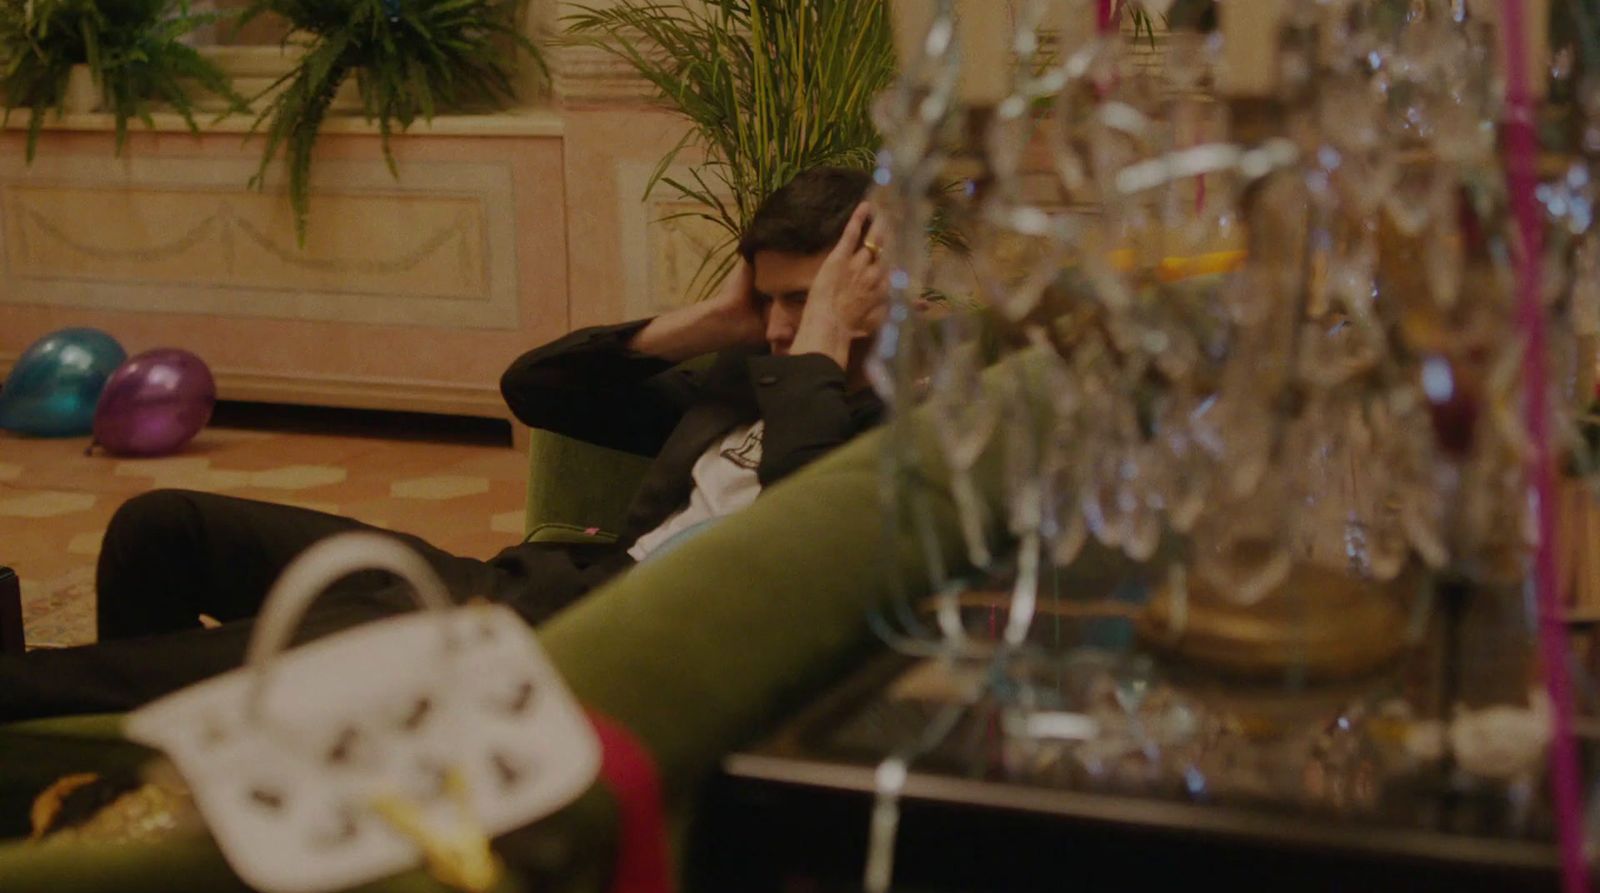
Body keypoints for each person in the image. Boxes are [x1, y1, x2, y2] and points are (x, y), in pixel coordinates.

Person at [0, 167, 890, 720]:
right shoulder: (748, 379)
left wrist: (822, 344)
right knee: (162, 527)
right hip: (513, 591)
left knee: (210, 662)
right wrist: (708, 323)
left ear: (869, 292)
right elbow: (536, 389)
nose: (781, 328)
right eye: (769, 299)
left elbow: (806, 536)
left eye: (805, 299)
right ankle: (138, 769)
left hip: (563, 650)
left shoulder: (894, 431)